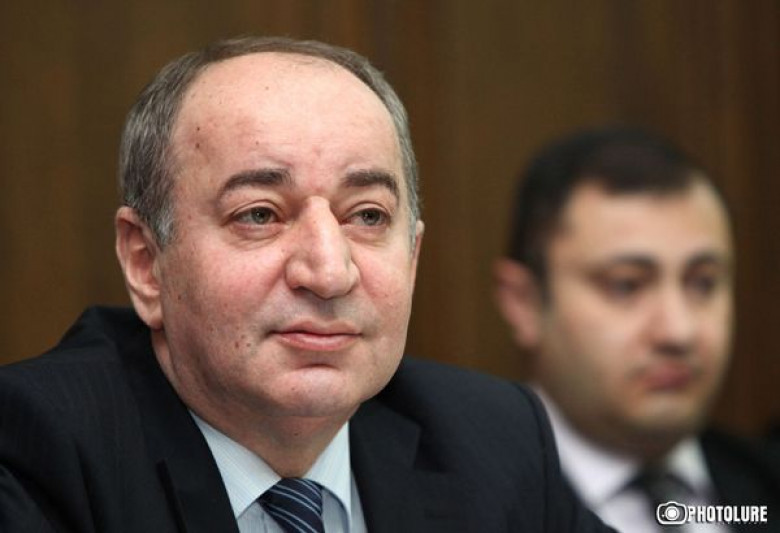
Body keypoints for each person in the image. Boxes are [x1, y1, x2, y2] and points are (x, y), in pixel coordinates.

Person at [0, 36, 612, 533]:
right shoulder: (35, 449)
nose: (329, 272)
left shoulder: (493, 439)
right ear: (145, 262)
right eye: (259, 214)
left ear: (413, 256)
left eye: (367, 216)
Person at [494, 126, 780, 532]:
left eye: (703, 283)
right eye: (626, 285)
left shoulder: (763, 482)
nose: (678, 332)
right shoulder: (476, 509)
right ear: (524, 303)